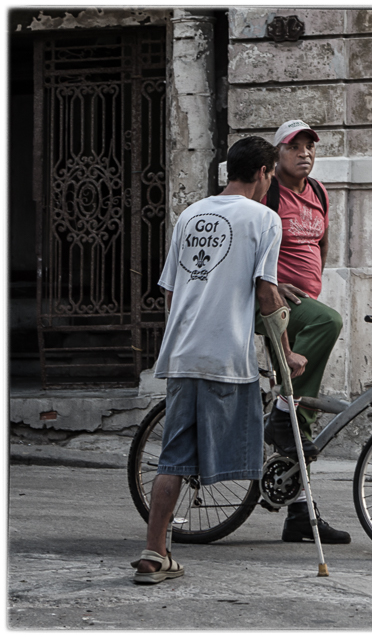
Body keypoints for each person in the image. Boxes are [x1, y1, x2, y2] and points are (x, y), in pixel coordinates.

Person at [131, 137, 306, 584]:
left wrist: (180, 335)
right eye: (270, 175)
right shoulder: (265, 218)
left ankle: (154, 552)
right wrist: (284, 354)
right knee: (238, 446)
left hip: (182, 351)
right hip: (225, 355)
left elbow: (170, 289)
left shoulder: (190, 214)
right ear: (265, 172)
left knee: (173, 457)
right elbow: (268, 294)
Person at [257, 119, 349, 545]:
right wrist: (274, 284)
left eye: (310, 146)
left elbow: (323, 244)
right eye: (295, 147)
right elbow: (253, 246)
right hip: (273, 304)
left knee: (300, 412)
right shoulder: (269, 191)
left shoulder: (319, 193)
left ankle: (299, 513)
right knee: (330, 321)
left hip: (301, 305)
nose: (305, 153)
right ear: (278, 154)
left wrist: (312, 286)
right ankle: (282, 413)